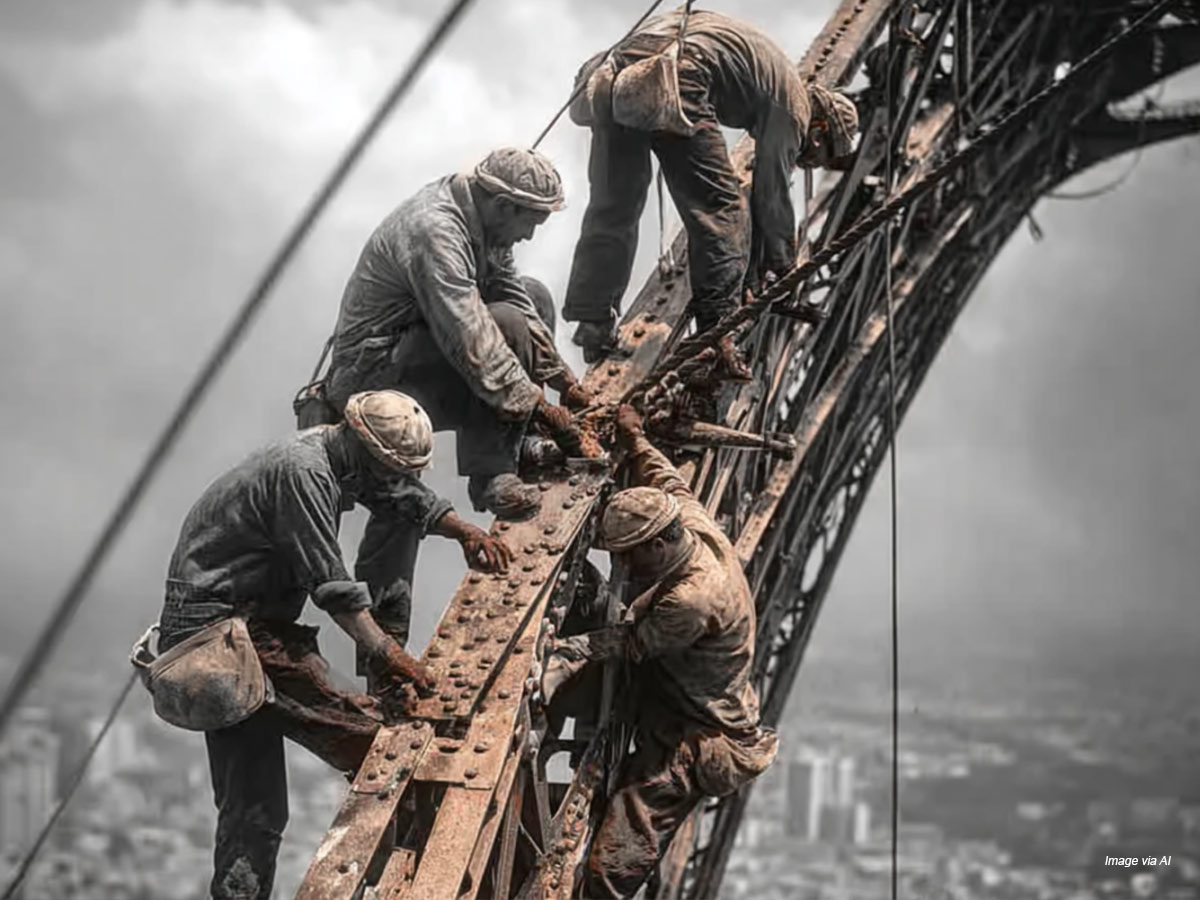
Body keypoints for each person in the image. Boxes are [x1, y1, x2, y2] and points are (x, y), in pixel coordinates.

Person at [154, 390, 511, 900]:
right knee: (373, 741)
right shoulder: (305, 475)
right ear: (368, 454)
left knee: (255, 808)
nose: (390, 482)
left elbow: (395, 494)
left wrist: (460, 530)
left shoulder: (334, 453)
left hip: (217, 634)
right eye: (389, 469)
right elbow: (332, 588)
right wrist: (390, 655)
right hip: (227, 636)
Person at [541, 404, 778, 898]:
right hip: (684, 696)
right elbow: (671, 483)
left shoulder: (692, 599)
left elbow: (630, 644)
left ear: (654, 546)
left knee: (612, 866)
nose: (622, 563)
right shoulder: (689, 526)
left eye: (626, 553)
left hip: (697, 738)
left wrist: (569, 651)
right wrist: (635, 440)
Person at [563, 6, 860, 366]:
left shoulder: (772, 72)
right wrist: (784, 268)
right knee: (722, 206)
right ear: (820, 130)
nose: (806, 163)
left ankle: (592, 317)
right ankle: (716, 330)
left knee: (616, 203)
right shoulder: (794, 106)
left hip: (619, 66)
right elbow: (771, 194)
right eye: (817, 156)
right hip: (682, 73)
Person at [322, 147, 593, 522]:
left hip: (419, 348)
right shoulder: (435, 230)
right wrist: (541, 407)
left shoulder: (486, 225)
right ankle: (492, 474)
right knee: (502, 326)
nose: (529, 236)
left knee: (533, 297)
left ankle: (520, 442)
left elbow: (514, 295)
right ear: (502, 206)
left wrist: (565, 382)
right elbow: (468, 333)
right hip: (376, 375)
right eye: (529, 223)